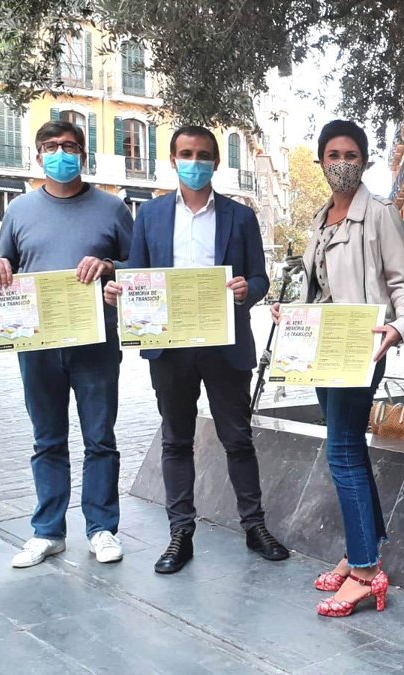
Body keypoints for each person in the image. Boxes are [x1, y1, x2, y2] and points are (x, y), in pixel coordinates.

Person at [103, 125, 289, 575]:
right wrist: (118, 288)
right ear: (173, 160)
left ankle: (254, 527)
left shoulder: (240, 217)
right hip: (170, 347)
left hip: (225, 344)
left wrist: (248, 290)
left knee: (238, 439)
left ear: (216, 162)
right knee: (176, 441)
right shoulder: (150, 215)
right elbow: (138, 271)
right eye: (186, 154)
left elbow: (260, 277)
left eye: (203, 155)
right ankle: (180, 534)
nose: (195, 162)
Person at [272, 120, 404, 617]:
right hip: (319, 347)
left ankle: (365, 572)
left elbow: (403, 284)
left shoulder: (379, 214)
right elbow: (317, 287)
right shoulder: (320, 218)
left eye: (351, 155)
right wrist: (290, 312)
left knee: (341, 452)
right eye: (333, 155)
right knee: (348, 448)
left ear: (365, 161)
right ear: (320, 162)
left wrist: (399, 326)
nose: (342, 163)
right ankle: (362, 550)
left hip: (360, 347)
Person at [0, 120, 133, 569]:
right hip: (38, 342)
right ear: (38, 156)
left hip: (96, 341)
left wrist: (109, 266)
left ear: (83, 154)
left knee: (100, 438)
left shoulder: (112, 208)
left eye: (69, 146)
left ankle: (102, 528)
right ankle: (48, 531)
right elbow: (3, 260)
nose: (60, 153)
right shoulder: (19, 210)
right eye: (51, 146)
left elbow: (140, 266)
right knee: (47, 439)